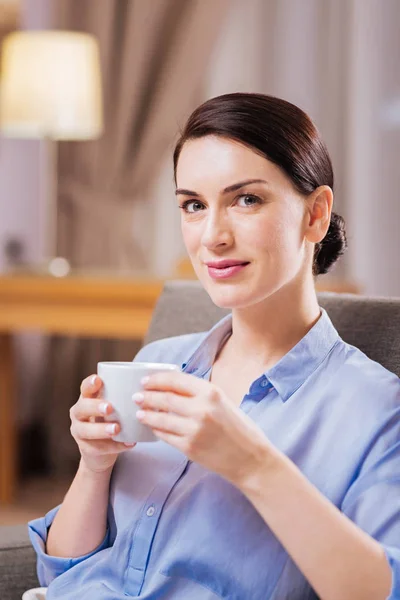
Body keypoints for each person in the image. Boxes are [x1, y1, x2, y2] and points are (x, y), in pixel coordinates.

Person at [28, 93, 400, 600]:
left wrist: (253, 465)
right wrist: (95, 466)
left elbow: (380, 590)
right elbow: (63, 572)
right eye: (194, 206)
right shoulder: (157, 363)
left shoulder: (375, 408)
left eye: (247, 199)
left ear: (315, 215)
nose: (213, 237)